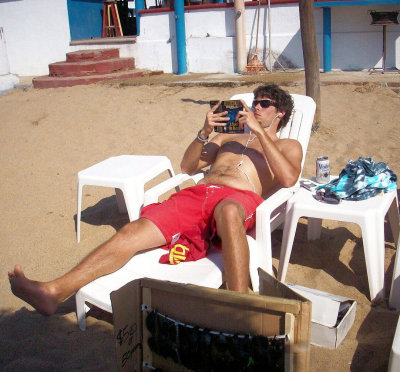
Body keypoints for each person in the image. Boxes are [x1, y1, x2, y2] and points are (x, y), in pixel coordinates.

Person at [9, 84, 302, 316]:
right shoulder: (228, 138)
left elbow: (288, 179)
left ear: (281, 114)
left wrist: (259, 133)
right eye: (255, 102)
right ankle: (54, 292)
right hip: (198, 194)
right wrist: (204, 132)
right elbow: (188, 167)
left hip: (238, 199)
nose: (256, 107)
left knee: (227, 212)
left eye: (264, 104)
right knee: (131, 231)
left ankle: (239, 310)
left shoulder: (288, 145)